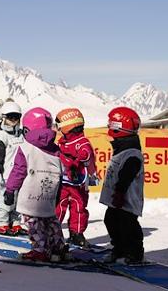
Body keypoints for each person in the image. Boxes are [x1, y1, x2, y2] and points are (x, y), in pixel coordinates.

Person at [4, 107, 67, 262]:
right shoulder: (56, 150)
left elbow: (19, 171)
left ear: (26, 129)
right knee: (51, 221)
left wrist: (10, 189)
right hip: (50, 193)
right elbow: (61, 171)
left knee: (34, 223)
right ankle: (58, 247)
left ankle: (40, 250)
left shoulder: (25, 148)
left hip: (31, 195)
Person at [100, 107, 145, 264]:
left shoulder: (132, 153)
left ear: (119, 126)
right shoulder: (122, 148)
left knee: (129, 225)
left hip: (126, 199)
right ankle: (119, 249)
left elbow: (127, 174)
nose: (109, 127)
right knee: (110, 220)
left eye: (111, 124)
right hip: (116, 199)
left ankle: (135, 253)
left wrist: (119, 193)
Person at [54, 107, 97, 248]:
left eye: (60, 126)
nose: (59, 130)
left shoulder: (82, 142)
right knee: (59, 206)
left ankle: (76, 233)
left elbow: (86, 154)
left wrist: (76, 161)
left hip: (78, 183)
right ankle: (53, 231)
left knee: (78, 207)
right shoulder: (62, 142)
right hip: (64, 182)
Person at [0, 101, 25, 235]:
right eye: (10, 117)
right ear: (3, 118)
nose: (13, 121)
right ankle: (0, 222)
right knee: (6, 200)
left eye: (16, 117)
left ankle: (15, 222)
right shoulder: (0, 136)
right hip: (7, 174)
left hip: (21, 174)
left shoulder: (22, 135)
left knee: (19, 201)